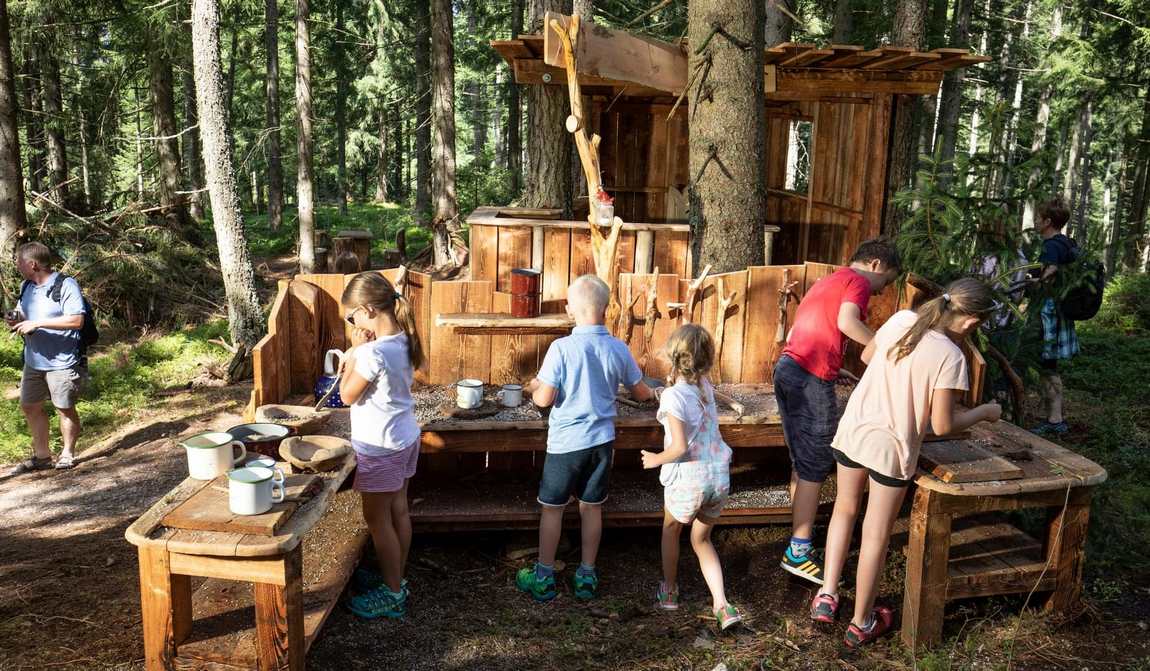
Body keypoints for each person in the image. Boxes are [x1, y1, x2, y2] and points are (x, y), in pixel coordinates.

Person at [811, 278, 1002, 648]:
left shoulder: (901, 320)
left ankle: (827, 596)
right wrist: (984, 412)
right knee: (875, 533)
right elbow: (942, 425)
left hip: (854, 430)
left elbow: (867, 358)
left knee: (844, 511)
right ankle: (861, 622)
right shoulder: (951, 357)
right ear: (971, 321)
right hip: (890, 447)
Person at [516, 274, 655, 601]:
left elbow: (544, 399)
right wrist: (656, 392)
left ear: (569, 310)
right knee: (592, 508)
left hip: (566, 445)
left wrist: (534, 388)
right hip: (601, 443)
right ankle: (587, 575)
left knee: (553, 509)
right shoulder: (618, 348)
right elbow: (641, 392)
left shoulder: (561, 348)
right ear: (606, 310)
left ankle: (544, 577)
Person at [773, 239, 901, 584]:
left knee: (802, 462)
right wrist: (885, 348)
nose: (880, 291)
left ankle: (799, 538)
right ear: (875, 265)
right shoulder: (858, 281)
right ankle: (798, 552)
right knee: (815, 465)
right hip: (809, 378)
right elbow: (846, 322)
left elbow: (805, 329)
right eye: (886, 281)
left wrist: (832, 364)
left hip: (788, 368)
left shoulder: (829, 280)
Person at [640, 324, 744, 631]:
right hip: (718, 478)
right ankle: (722, 605)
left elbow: (679, 447)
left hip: (689, 479)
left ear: (674, 358)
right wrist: (731, 401)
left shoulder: (673, 397)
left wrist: (654, 459)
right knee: (701, 539)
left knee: (671, 530)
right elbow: (711, 391)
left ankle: (669, 591)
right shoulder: (703, 386)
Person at [337, 272, 423, 619]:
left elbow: (346, 396)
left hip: (380, 448)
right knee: (398, 511)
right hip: (404, 438)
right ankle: (395, 575)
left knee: (377, 520)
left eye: (352, 317)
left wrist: (355, 351)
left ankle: (392, 593)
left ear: (368, 310)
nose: (353, 324)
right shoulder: (403, 339)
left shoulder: (372, 353)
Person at [5, 242, 87, 472]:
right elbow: (23, 312)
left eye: (19, 262)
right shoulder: (27, 286)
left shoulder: (66, 285)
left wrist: (38, 323)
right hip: (34, 360)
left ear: (32, 264)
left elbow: (77, 320)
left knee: (64, 407)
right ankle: (42, 457)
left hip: (62, 361)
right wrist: (15, 318)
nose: (17, 266)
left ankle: (67, 454)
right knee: (30, 406)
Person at [1029, 198, 1078, 435]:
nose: (1036, 222)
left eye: (1039, 218)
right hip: (1059, 312)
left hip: (1048, 312)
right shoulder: (1066, 243)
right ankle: (1055, 418)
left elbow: (1050, 273)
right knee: (1050, 365)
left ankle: (1055, 419)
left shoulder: (1051, 246)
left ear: (1048, 221)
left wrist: (1033, 283)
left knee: (1047, 365)